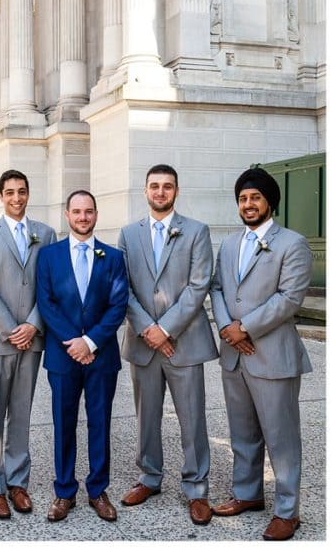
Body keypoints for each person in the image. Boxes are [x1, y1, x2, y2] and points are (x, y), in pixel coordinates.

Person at [210, 168, 313, 542]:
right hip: (234, 355)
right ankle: (248, 494)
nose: (248, 204)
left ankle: (288, 512)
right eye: (242, 198)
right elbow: (218, 288)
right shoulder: (229, 244)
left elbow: (289, 299)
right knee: (243, 433)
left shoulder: (292, 244)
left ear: (270, 201)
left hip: (272, 355)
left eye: (255, 197)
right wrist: (227, 330)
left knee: (281, 438)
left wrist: (245, 328)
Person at [117, 165, 217, 525]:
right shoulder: (129, 234)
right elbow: (122, 287)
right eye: (154, 186)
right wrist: (148, 329)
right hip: (144, 343)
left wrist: (167, 329)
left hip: (185, 342)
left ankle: (196, 487)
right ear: (145, 190)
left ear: (177, 190)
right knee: (146, 417)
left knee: (192, 417)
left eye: (167, 186)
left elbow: (198, 285)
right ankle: (149, 477)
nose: (160, 192)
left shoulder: (196, 231)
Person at [36, 189, 128, 524]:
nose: (83, 217)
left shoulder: (114, 257)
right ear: (67, 215)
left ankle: (98, 490)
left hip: (101, 356)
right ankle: (64, 491)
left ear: (96, 215)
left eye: (88, 212)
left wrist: (90, 342)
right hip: (63, 357)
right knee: (64, 423)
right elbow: (47, 303)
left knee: (100, 423)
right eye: (76, 212)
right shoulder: (49, 256)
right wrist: (73, 342)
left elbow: (118, 305)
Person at [0, 170, 56, 520]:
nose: (17, 198)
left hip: (33, 339)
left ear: (29, 192)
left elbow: (51, 284)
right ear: (0, 196)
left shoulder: (46, 233)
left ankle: (18, 482)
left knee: (21, 414)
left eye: (22, 191)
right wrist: (12, 329)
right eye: (10, 193)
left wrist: (32, 326)